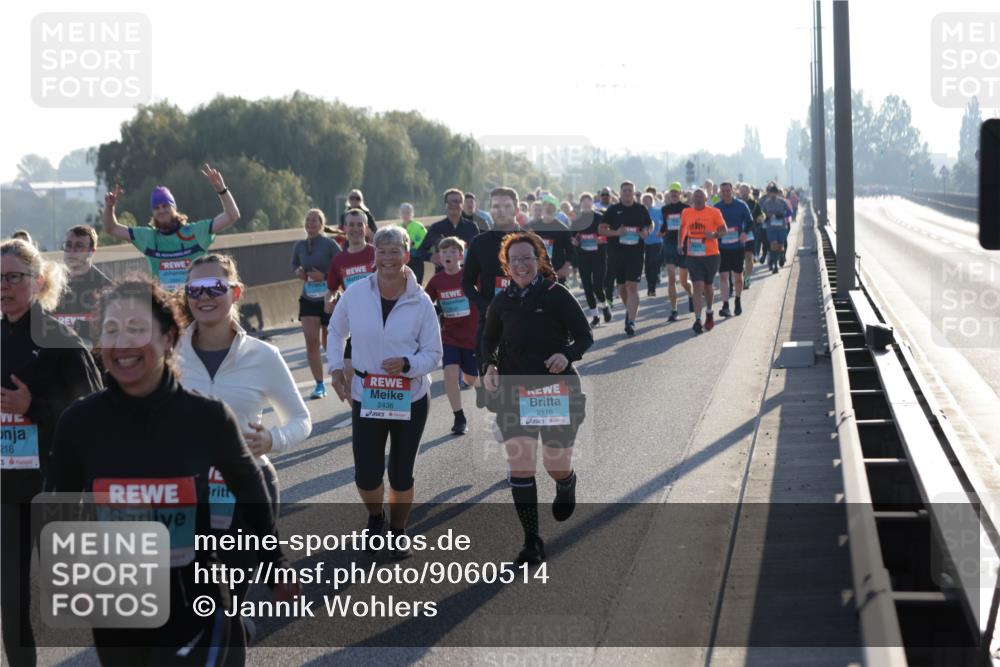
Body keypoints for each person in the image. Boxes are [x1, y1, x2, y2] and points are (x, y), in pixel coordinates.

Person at [48, 276, 296, 665]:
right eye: (111, 330)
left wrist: (275, 564)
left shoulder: (207, 417)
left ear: (168, 338)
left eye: (136, 329)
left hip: (197, 604)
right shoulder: (79, 424)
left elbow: (250, 489)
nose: (123, 343)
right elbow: (58, 504)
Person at [178, 253, 311, 662]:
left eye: (215, 288)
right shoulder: (169, 352)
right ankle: (230, 631)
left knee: (226, 596)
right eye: (195, 290)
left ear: (234, 292)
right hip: (182, 494)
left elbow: (301, 420)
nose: (205, 297)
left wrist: (272, 439)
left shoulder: (262, 356)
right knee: (193, 597)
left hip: (243, 492)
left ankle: (231, 633)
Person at [1, 239, 103, 667]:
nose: (3, 286)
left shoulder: (62, 340)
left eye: (12, 277)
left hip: (54, 486)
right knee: (10, 596)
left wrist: (35, 409)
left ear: (37, 281)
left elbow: (96, 411)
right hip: (7, 487)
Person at [327, 226, 442, 558]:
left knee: (401, 473)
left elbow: (434, 355)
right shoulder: (356, 294)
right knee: (366, 473)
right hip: (367, 394)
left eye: (395, 251)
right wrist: (336, 368)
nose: (388, 258)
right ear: (373, 255)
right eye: (382, 252)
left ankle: (398, 530)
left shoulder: (421, 302)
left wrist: (408, 364)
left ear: (406, 254)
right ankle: (376, 516)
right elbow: (335, 331)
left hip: (410, 396)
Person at [482, 232, 593, 564]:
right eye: (513, 260)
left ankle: (566, 482)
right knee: (521, 467)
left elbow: (585, 336)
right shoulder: (501, 302)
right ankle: (531, 540)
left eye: (526, 258)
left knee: (554, 465)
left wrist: (567, 355)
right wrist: (488, 365)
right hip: (515, 392)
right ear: (507, 265)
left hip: (555, 390)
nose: (520, 265)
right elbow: (487, 340)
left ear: (539, 260)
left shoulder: (555, 294)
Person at [101, 165, 241, 292]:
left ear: (174, 208)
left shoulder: (194, 232)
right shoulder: (148, 237)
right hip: (166, 310)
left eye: (165, 206)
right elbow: (111, 228)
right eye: (156, 208)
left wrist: (222, 190)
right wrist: (109, 207)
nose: (161, 210)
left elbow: (232, 216)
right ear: (153, 213)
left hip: (196, 304)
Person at [463, 187, 521, 409]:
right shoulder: (480, 243)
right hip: (491, 323)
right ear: (490, 209)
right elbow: (466, 282)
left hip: (524, 322)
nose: (501, 211)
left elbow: (547, 279)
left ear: (515, 208)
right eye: (496, 206)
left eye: (506, 206)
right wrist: (485, 305)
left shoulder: (530, 239)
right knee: (493, 395)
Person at [425, 237, 479, 435]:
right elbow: (424, 302)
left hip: (472, 335)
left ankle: (478, 385)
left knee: (472, 378)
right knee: (449, 373)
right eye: (444, 252)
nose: (447, 255)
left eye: (452, 251)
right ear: (439, 257)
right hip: (450, 336)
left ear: (461, 256)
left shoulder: (470, 276)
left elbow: (486, 292)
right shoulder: (436, 281)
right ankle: (459, 416)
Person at [292, 208, 341, 399]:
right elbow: (294, 264)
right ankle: (320, 384)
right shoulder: (299, 246)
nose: (311, 223)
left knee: (328, 340)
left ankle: (338, 372)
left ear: (321, 225)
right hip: (308, 297)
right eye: (308, 220)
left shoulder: (330, 244)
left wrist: (325, 276)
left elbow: (340, 268)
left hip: (328, 297)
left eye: (315, 221)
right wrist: (298, 272)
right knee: (311, 340)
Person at [326, 209, 377, 385]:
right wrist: (329, 302)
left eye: (359, 225)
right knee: (349, 370)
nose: (355, 229)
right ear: (345, 228)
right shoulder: (338, 260)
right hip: (356, 322)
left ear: (366, 228)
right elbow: (332, 289)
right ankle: (358, 410)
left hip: (381, 319)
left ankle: (376, 408)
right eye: (351, 225)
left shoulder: (377, 253)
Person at [599, 181, 652, 337]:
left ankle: (631, 321)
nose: (628, 193)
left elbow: (649, 225)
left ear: (634, 193)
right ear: (620, 193)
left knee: (631, 286)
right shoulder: (613, 210)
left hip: (635, 254)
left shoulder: (640, 209)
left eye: (630, 191)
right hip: (617, 254)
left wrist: (646, 232)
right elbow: (601, 229)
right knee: (622, 288)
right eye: (625, 191)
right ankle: (630, 312)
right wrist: (616, 233)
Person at [679, 188, 729, 334]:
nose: (698, 198)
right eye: (696, 196)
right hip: (693, 255)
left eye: (701, 196)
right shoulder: (686, 212)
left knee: (708, 286)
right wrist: (680, 243)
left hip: (711, 255)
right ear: (692, 199)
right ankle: (698, 319)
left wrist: (713, 235)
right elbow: (682, 228)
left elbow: (724, 230)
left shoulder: (714, 212)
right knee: (697, 286)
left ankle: (709, 311)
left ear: (706, 199)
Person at [55, 224, 112, 344]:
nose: (72, 251)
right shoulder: (51, 284)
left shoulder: (106, 288)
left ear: (91, 252)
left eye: (79, 246)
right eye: (68, 245)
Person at [714, 183, 754, 317]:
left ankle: (737, 300)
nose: (725, 193)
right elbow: (711, 225)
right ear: (720, 192)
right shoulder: (717, 208)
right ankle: (725, 306)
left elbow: (750, 222)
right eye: (723, 191)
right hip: (722, 247)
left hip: (737, 246)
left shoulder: (741, 205)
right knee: (724, 276)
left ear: (732, 191)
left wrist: (745, 233)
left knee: (737, 277)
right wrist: (716, 234)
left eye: (728, 191)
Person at [572, 193, 611, 327]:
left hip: (599, 256)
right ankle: (595, 316)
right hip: (584, 257)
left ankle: (605, 306)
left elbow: (608, 235)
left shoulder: (600, 217)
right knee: (587, 287)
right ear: (581, 204)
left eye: (589, 201)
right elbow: (573, 238)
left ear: (592, 203)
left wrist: (599, 239)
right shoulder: (577, 220)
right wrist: (575, 242)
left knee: (597, 287)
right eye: (584, 201)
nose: (586, 203)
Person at [421, 188, 480, 271]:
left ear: (462, 205)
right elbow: (421, 250)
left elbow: (480, 251)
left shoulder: (471, 227)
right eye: (449, 202)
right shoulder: (436, 227)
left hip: (466, 275)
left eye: (456, 201)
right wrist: (430, 257)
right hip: (442, 275)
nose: (453, 205)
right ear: (445, 205)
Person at [660, 183, 694, 322]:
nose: (673, 194)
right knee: (671, 278)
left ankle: (691, 295)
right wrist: (661, 231)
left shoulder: (686, 208)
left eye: (676, 192)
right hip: (669, 245)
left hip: (683, 245)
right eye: (672, 192)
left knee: (683, 281)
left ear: (680, 194)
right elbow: (665, 225)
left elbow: (691, 226)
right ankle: (674, 310)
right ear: (669, 194)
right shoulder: (665, 209)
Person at [525, 194, 573, 284]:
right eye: (545, 205)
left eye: (551, 205)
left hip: (556, 273)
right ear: (542, 207)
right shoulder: (532, 227)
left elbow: (571, 252)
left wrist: (565, 269)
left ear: (556, 209)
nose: (548, 208)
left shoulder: (562, 229)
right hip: (536, 273)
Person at [760, 183, 793, 273]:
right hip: (771, 228)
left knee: (780, 246)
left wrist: (781, 215)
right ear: (769, 193)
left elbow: (789, 212)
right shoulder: (766, 202)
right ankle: (775, 266)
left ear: (777, 193)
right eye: (771, 193)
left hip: (781, 227)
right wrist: (767, 216)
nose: (773, 195)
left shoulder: (782, 202)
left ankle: (782, 255)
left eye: (774, 193)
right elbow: (762, 213)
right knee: (773, 246)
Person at [738, 183, 763, 288]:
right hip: (737, 235)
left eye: (746, 190)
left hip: (750, 234)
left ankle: (747, 279)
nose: (744, 192)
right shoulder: (736, 203)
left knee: (749, 257)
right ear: (739, 192)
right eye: (742, 190)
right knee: (739, 259)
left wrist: (760, 218)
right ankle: (742, 274)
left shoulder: (754, 204)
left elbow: (761, 215)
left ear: (749, 192)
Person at [641, 192, 664, 297]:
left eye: (648, 199)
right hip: (644, 242)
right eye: (644, 200)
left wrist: (662, 232)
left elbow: (664, 224)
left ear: (652, 200)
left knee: (653, 264)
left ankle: (652, 288)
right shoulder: (640, 212)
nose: (646, 201)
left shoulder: (658, 211)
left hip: (656, 241)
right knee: (647, 266)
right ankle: (650, 284)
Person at [399, 203, 427, 284]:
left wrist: (413, 243)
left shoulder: (419, 226)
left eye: (407, 212)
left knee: (417, 283)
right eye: (403, 212)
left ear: (412, 214)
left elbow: (426, 240)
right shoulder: (397, 227)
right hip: (402, 260)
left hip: (416, 258)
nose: (405, 215)